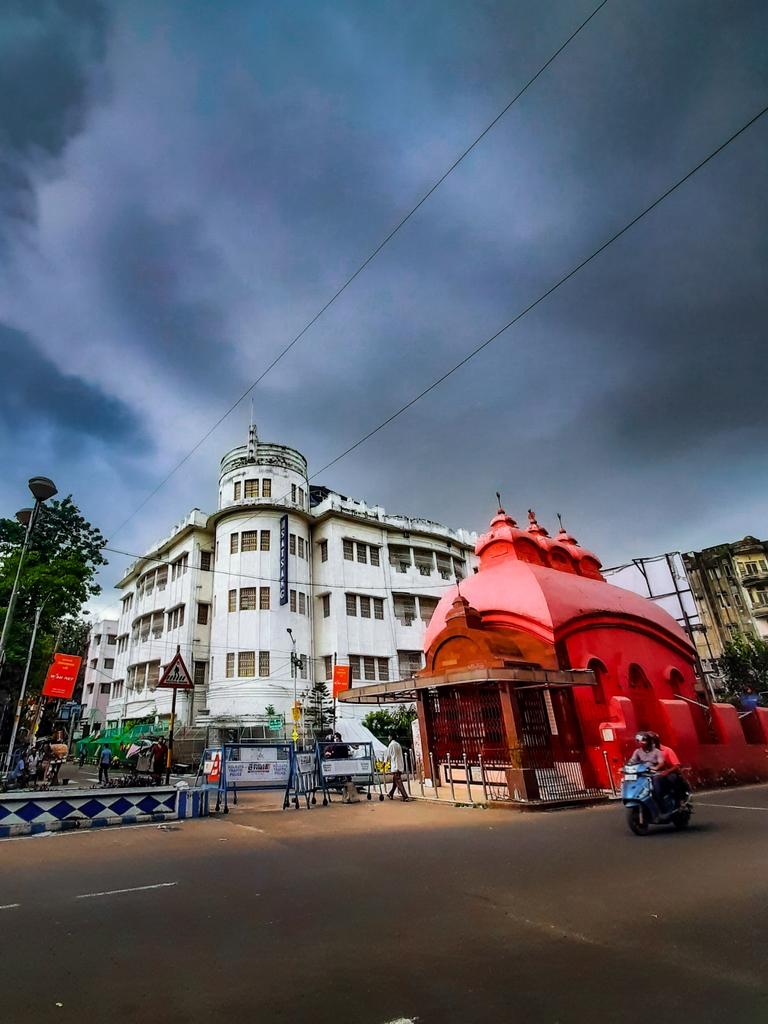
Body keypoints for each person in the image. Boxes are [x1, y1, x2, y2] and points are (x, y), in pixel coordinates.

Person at [385, 734, 410, 802]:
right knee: (395, 781)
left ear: (391, 737)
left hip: (395, 766)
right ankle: (391, 793)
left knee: (398, 781)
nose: (388, 737)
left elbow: (387, 755)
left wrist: (384, 762)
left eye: (389, 736)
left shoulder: (391, 745)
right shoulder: (398, 744)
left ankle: (405, 796)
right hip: (400, 765)